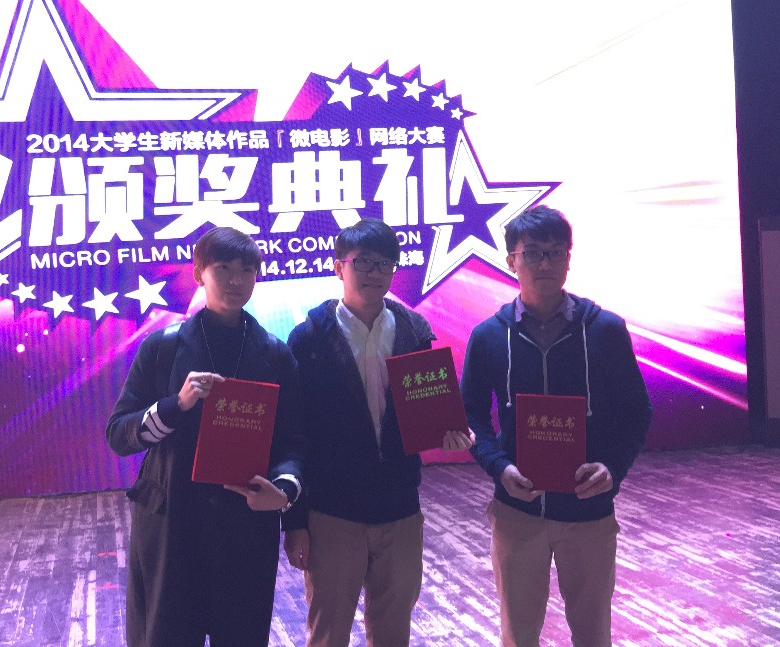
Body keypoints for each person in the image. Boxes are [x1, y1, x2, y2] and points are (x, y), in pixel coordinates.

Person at [460, 205, 653, 647]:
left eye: (554, 252)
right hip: (518, 512)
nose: (544, 263)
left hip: (588, 512)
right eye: (532, 253)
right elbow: (471, 415)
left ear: (569, 258)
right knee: (518, 635)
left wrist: (612, 469)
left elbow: (636, 411)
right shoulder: (488, 336)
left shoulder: (605, 330)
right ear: (511, 260)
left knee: (593, 634)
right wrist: (499, 468)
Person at [105, 227, 305, 647]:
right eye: (223, 268)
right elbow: (119, 434)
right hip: (172, 526)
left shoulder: (274, 354)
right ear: (199, 273)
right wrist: (175, 405)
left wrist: (283, 491)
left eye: (247, 270)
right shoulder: (162, 348)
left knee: (243, 636)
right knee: (166, 637)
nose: (236, 280)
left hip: (246, 526)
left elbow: (294, 440)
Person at [282, 218, 474, 647]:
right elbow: (293, 434)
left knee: (393, 631)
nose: (374, 273)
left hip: (400, 509)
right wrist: (294, 521)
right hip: (332, 513)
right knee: (328, 632)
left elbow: (429, 411)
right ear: (339, 267)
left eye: (384, 263)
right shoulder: (308, 340)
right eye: (363, 262)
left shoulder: (414, 331)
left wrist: (451, 433)